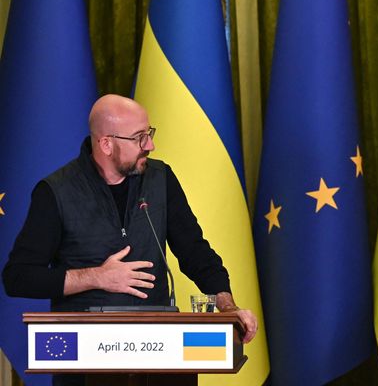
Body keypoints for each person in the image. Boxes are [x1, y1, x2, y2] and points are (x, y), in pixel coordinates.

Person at [3, 95, 257, 385]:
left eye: (149, 134)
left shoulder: (161, 179)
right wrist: (96, 277)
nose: (150, 145)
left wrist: (228, 305)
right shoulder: (55, 192)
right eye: (139, 138)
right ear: (106, 144)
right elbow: (18, 277)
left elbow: (195, 252)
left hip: (162, 358)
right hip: (85, 365)